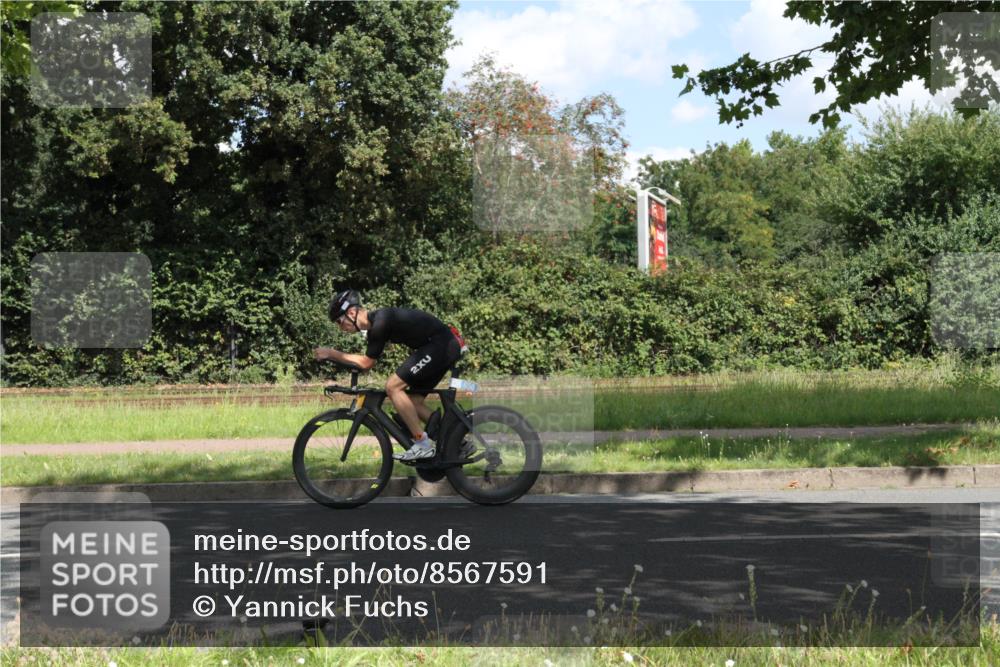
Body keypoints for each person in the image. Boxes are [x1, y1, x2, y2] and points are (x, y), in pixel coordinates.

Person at [313, 289, 465, 461]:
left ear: (352, 313)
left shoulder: (381, 322)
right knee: (413, 401)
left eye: (339, 321)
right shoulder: (375, 326)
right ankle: (457, 441)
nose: (341, 328)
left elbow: (366, 363)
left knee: (393, 387)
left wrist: (331, 353)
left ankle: (422, 444)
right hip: (440, 346)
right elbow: (366, 364)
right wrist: (335, 357)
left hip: (441, 346)